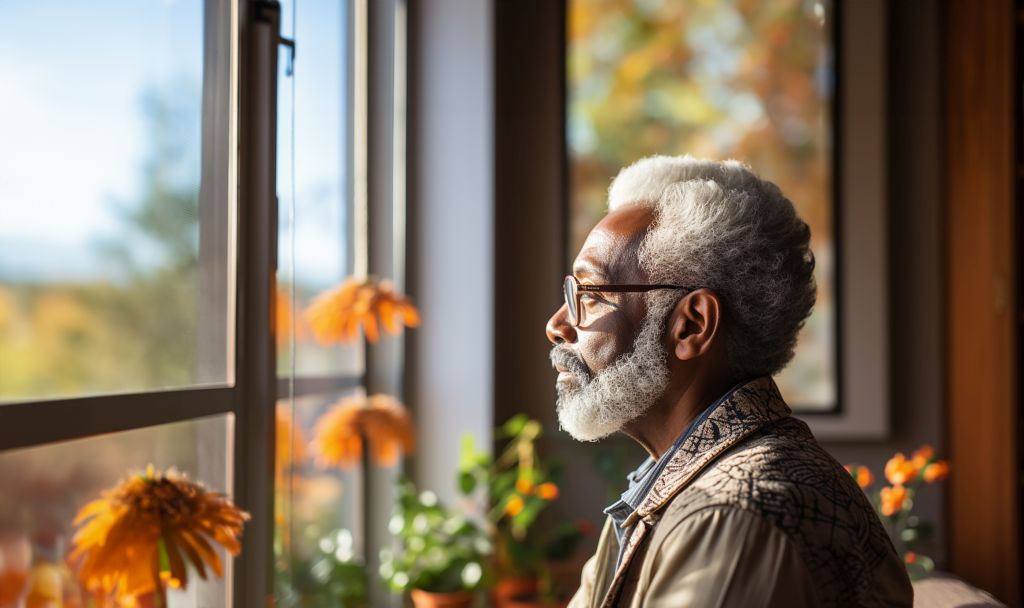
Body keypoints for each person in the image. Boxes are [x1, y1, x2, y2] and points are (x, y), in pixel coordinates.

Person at [546, 156, 912, 607]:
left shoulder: (732, 516)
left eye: (592, 293)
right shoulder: (665, 491)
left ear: (692, 325)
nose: (558, 324)